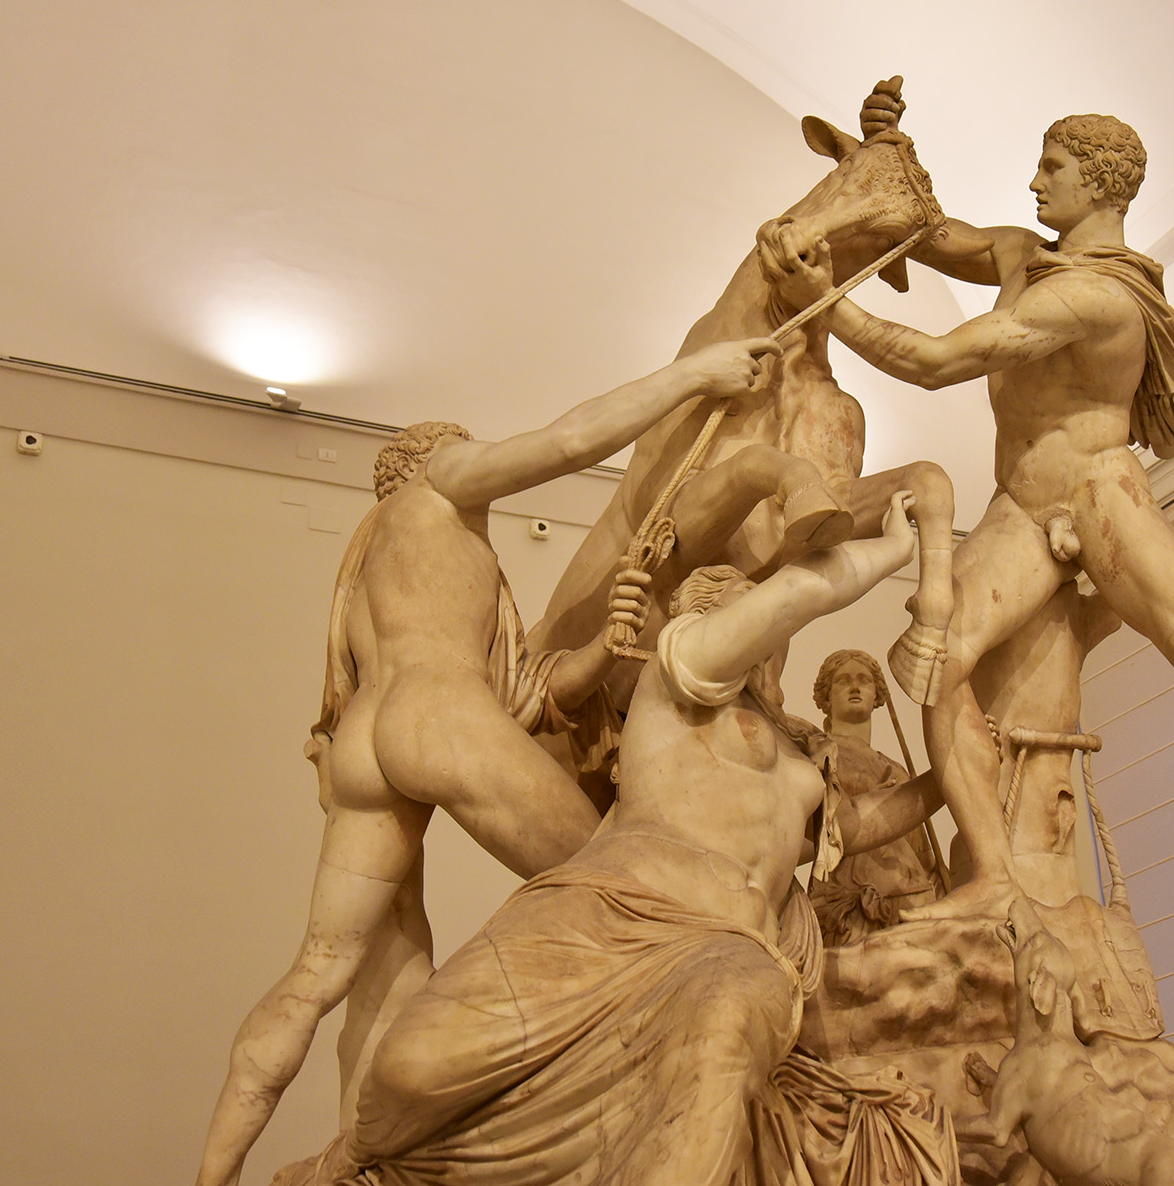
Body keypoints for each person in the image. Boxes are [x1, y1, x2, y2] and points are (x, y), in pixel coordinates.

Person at [760, 81, 1174, 920]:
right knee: (937, 658)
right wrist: (875, 157)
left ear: (1100, 184)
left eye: (1053, 167)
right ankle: (992, 875)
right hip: (1020, 505)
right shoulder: (1019, 255)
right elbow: (927, 232)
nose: (1035, 183)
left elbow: (933, 361)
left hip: (1101, 494)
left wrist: (821, 299)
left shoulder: (1097, 298)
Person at [194, 337, 782, 1186]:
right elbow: (569, 441)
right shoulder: (436, 488)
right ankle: (610, 1095)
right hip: (437, 718)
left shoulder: (376, 566)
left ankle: (256, 1172)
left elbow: (530, 699)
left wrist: (606, 639)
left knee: (328, 973)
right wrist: (697, 374)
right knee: (623, 884)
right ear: (430, 457)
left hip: (368, 739)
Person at [272, 492, 957, 1186]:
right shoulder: (681, 672)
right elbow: (797, 594)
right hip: (605, 912)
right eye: (749, 608)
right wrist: (895, 551)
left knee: (722, 1039)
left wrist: (951, 776)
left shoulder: (800, 748)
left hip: (729, 947)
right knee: (409, 1069)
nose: (769, 628)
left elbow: (856, 827)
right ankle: (349, 1164)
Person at [806, 649, 943, 943]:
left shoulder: (897, 769)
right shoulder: (818, 752)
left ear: (877, 695)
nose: (855, 687)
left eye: (864, 680)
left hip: (910, 899)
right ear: (826, 697)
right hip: (851, 903)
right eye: (843, 680)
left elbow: (921, 850)